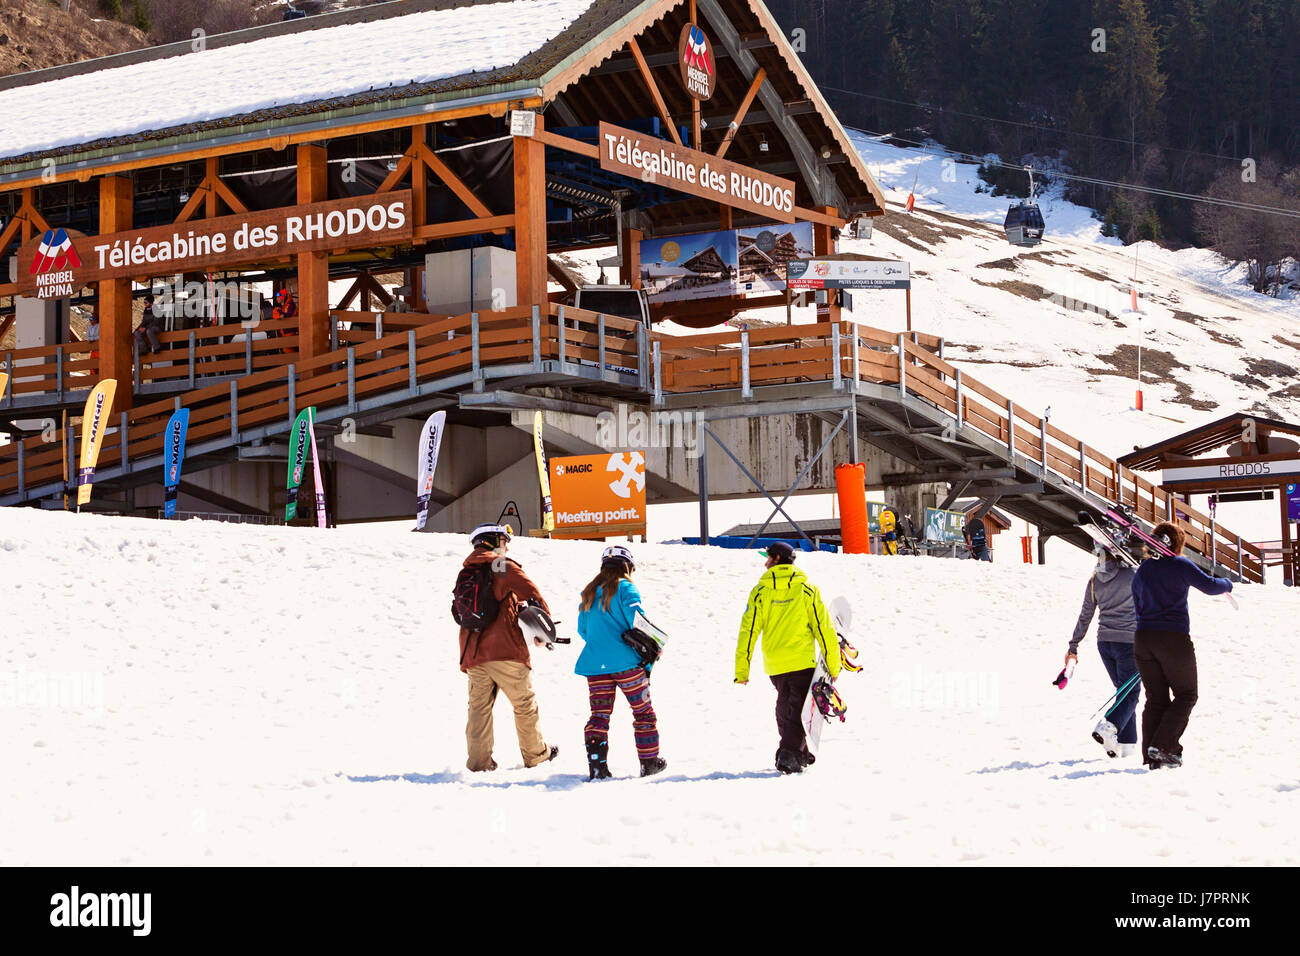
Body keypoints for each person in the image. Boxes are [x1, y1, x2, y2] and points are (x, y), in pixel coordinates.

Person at [456, 523, 559, 773]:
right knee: (524, 703)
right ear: (494, 542)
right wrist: (544, 630)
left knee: (479, 709)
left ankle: (479, 763)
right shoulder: (500, 565)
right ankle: (535, 755)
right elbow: (531, 592)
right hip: (505, 651)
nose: (507, 546)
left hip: (472, 653)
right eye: (504, 541)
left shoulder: (466, 572)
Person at [1131, 522, 1233, 770]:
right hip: (1173, 638)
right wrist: (1228, 584)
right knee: (1186, 694)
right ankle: (1164, 746)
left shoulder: (1143, 569)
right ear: (1177, 543)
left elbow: (1136, 604)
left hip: (1143, 638)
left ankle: (1153, 754)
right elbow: (1210, 586)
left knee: (1155, 698)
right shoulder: (1180, 564)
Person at [735, 540, 840, 774]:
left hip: (775, 664)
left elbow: (748, 630)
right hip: (802, 661)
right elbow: (823, 628)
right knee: (797, 710)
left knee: (785, 706)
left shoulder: (760, 592)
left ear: (778, 559)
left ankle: (799, 752)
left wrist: (742, 669)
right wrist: (834, 665)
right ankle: (788, 754)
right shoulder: (807, 589)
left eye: (768, 558)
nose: (765, 563)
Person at [575, 545, 666, 780]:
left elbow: (583, 631)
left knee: (599, 715)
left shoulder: (589, 592)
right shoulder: (626, 588)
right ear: (627, 567)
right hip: (627, 664)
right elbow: (638, 622)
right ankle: (649, 763)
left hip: (595, 666)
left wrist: (602, 643)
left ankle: (597, 767)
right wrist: (655, 645)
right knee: (643, 713)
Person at [1068, 544, 1142, 758]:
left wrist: (1074, 645)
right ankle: (1109, 726)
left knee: (1124, 692)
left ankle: (1126, 747)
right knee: (1131, 692)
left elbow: (1085, 615)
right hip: (1129, 642)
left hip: (1105, 643)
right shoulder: (1133, 575)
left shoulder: (1094, 581)